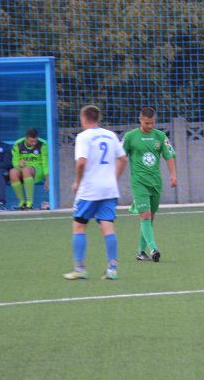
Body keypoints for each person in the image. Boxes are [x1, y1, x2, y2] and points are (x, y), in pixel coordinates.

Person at [64, 105, 127, 281]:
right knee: (107, 226)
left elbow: (81, 162)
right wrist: (114, 178)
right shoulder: (111, 135)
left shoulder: (83, 137)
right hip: (109, 188)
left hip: (90, 189)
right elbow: (123, 159)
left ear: (83, 118)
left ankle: (80, 269)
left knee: (79, 225)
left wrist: (77, 181)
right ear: (97, 118)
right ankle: (112, 269)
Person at [122, 107, 177, 262]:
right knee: (145, 215)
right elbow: (120, 156)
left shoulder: (160, 136)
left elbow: (169, 156)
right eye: (147, 123)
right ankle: (153, 249)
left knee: (150, 218)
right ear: (140, 120)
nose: (150, 126)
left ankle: (141, 252)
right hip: (139, 182)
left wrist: (173, 174)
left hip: (155, 183)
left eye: (153, 123)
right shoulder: (130, 137)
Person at [9, 128, 49, 210]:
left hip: (38, 170)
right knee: (12, 172)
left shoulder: (43, 144)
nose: (34, 143)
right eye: (31, 141)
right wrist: (18, 164)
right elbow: (14, 162)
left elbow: (45, 164)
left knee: (26, 170)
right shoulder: (18, 144)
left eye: (35, 141)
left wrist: (47, 179)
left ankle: (30, 203)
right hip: (23, 169)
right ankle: (22, 202)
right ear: (26, 138)